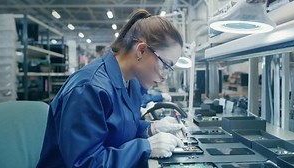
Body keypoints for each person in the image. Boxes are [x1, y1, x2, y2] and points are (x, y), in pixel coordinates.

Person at [37, 9, 184, 168]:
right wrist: (146, 147)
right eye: (166, 65)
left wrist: (150, 129)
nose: (165, 76)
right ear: (141, 50)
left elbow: (119, 130)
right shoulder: (89, 88)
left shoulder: (131, 83)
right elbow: (85, 163)